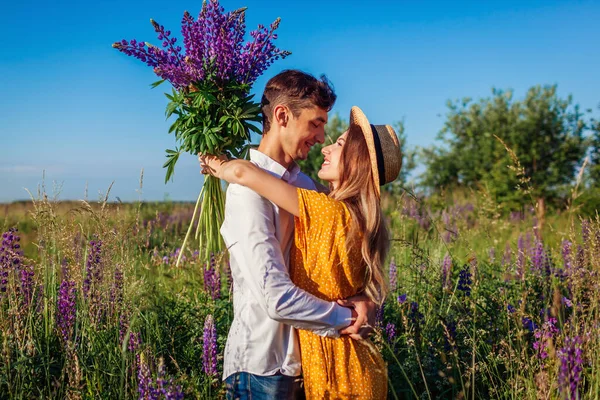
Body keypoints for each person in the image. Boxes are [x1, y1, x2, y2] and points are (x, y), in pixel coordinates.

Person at [201, 105, 401, 399]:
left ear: (357, 163)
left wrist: (216, 162)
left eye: (340, 144)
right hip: (348, 362)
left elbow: (244, 172)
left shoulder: (326, 211)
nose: (326, 147)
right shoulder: (355, 215)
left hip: (338, 370)